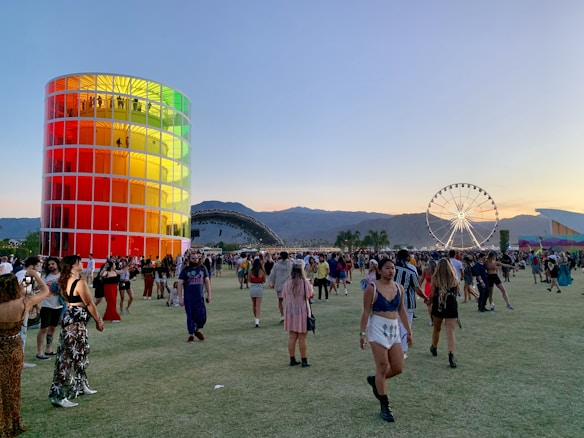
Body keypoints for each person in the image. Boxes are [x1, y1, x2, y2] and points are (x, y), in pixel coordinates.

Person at [360, 258, 412, 423]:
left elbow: (402, 311)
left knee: (398, 367)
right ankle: (385, 405)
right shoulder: (372, 288)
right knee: (382, 366)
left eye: (393, 268)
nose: (391, 271)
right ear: (380, 270)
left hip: (394, 330)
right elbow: (366, 312)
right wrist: (362, 333)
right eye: (388, 268)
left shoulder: (399, 288)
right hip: (377, 329)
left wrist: (408, 332)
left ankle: (376, 381)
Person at [48, 255, 104, 408]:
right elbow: (89, 303)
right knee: (67, 358)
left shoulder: (63, 281)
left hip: (71, 319)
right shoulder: (80, 283)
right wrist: (99, 320)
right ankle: (59, 395)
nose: (82, 264)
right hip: (76, 323)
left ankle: (80, 385)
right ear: (73, 265)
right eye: (79, 262)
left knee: (79, 354)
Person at [0, 267, 50, 436]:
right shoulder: (23, 303)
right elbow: (45, 290)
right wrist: (35, 274)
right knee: (13, 388)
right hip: (14, 350)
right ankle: (12, 423)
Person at [428, 259, 460, 368]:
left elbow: (432, 293)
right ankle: (451, 355)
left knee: (437, 328)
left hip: (439, 304)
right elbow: (456, 291)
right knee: (450, 331)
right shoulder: (454, 278)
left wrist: (430, 301)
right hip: (451, 303)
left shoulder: (435, 278)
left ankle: (434, 347)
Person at [282, 260, 314, 367]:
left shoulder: (287, 283)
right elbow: (310, 295)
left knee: (292, 336)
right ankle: (304, 360)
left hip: (290, 310)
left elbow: (284, 296)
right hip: (303, 310)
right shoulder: (305, 283)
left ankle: (292, 359)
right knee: (302, 337)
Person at [178, 253, 212, 342]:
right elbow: (180, 283)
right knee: (190, 316)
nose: (195, 260)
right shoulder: (185, 270)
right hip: (188, 298)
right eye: (193, 258)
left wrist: (209, 294)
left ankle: (197, 330)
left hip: (199, 297)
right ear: (189, 259)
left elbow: (207, 281)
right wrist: (180, 298)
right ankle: (191, 335)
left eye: (196, 258)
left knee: (202, 316)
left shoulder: (202, 268)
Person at [36, 257, 63, 360]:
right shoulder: (45, 277)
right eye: (49, 264)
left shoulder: (62, 276)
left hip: (58, 305)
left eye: (52, 264)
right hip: (46, 305)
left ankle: (49, 349)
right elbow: (39, 289)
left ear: (57, 264)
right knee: (43, 329)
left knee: (52, 328)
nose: (50, 266)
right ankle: (39, 352)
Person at [268, 251, 294, 322]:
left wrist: (272, 283)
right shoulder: (291, 264)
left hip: (279, 284)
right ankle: (289, 315)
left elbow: (272, 275)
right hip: (289, 284)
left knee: (280, 300)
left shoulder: (276, 265)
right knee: (289, 300)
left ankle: (282, 315)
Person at [248, 257, 266, 327]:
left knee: (254, 304)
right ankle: (257, 320)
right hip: (259, 287)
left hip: (253, 287)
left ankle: (256, 318)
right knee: (258, 305)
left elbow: (249, 280)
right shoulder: (262, 271)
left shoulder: (250, 271)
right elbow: (264, 280)